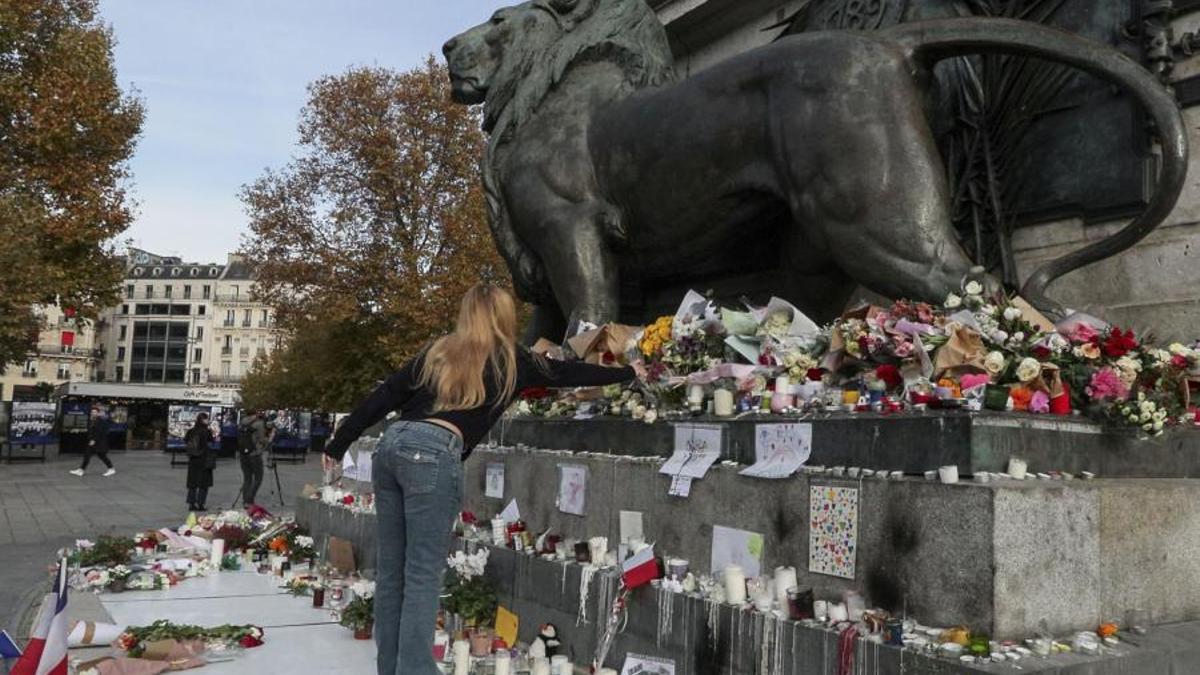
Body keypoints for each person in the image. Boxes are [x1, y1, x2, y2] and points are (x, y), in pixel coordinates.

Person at [323, 285, 643, 675]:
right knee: (423, 575)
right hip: (434, 452)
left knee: (393, 573)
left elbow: (386, 393)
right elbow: (567, 372)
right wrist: (628, 371)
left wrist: (340, 441)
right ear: (505, 317)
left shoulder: (438, 351)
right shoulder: (512, 359)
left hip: (393, 446)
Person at [184, 412, 216, 511]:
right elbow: (211, 443)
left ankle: (191, 504)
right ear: (203, 420)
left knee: (192, 483)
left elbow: (186, 441)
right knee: (204, 483)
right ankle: (201, 504)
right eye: (206, 419)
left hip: (193, 460)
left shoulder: (191, 431)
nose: (208, 421)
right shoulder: (206, 431)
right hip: (204, 459)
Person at [237, 411, 270, 507]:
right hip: (255, 453)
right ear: (255, 413)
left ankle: (245, 500)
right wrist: (270, 438)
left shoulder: (242, 423)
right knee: (258, 478)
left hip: (243, 453)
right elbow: (262, 439)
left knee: (247, 478)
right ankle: (249, 500)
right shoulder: (259, 423)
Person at [70, 407, 115, 477]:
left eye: (95, 412)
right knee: (88, 455)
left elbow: (99, 432)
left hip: (98, 442)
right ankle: (81, 470)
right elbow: (91, 431)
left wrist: (94, 440)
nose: (93, 413)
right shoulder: (93, 420)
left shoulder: (100, 421)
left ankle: (111, 469)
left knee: (102, 456)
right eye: (92, 412)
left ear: (98, 413)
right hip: (94, 442)